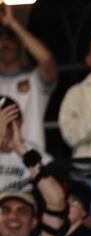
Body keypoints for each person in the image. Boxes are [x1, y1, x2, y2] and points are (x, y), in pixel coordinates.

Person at [0, 8, 57, 152]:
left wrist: (13, 24)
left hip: (31, 162)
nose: (5, 44)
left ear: (22, 44)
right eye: (1, 40)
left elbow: (47, 60)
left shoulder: (35, 80)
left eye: (11, 39)